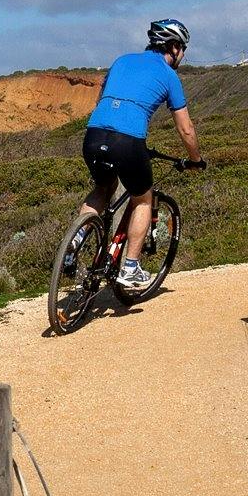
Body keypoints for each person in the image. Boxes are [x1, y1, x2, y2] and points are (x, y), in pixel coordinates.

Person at [82, 18, 203, 292]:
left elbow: (100, 99)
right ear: (172, 47)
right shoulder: (170, 76)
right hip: (128, 140)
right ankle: (130, 267)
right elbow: (186, 129)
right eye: (182, 48)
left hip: (93, 134)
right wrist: (196, 159)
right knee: (142, 200)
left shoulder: (121, 60)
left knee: (103, 187)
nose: (183, 55)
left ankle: (75, 240)